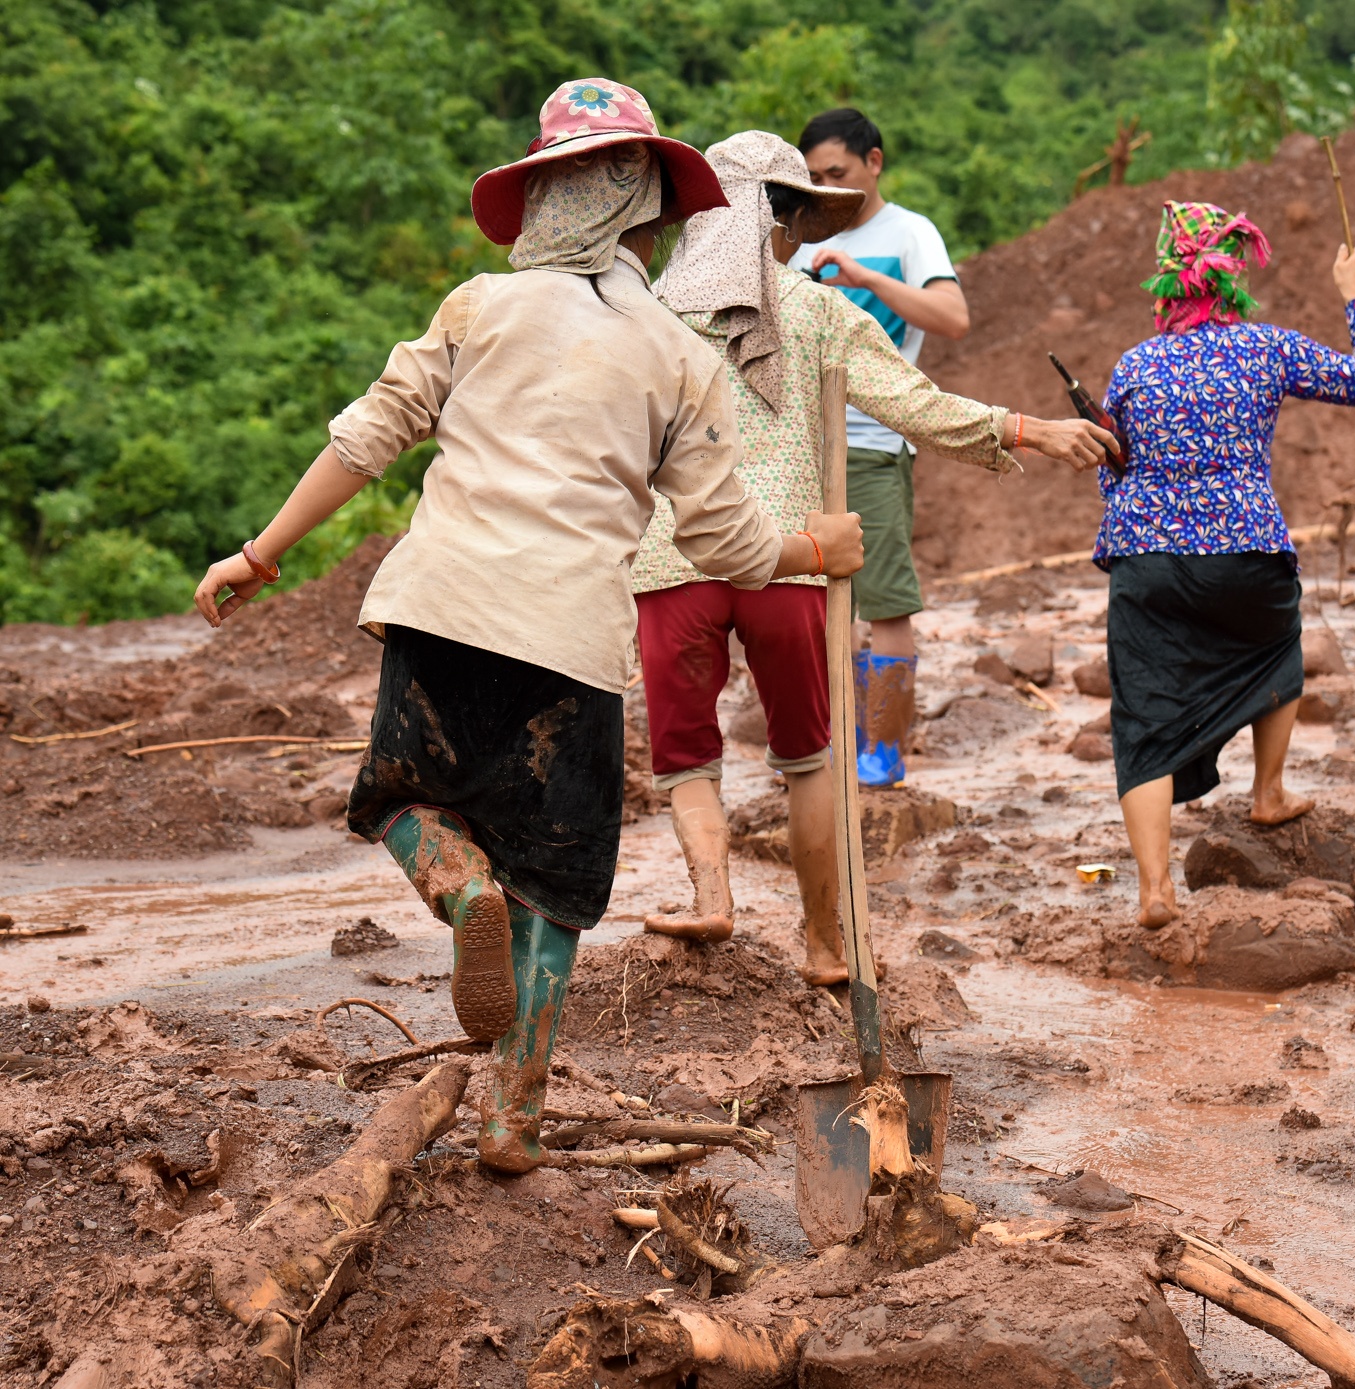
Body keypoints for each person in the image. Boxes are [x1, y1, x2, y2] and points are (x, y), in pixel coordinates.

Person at [190, 80, 864, 1174]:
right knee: (554, 885)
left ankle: (460, 891)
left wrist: (262, 551)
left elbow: (370, 441)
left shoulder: (475, 308)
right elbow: (731, 547)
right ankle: (514, 1118)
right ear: (650, 215)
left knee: (403, 796)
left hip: (440, 611)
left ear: (545, 197)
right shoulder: (681, 356)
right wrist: (815, 550)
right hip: (570, 646)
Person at [635, 130, 1115, 984]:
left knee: (687, 756)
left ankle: (713, 896)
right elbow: (913, 403)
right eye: (790, 218)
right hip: (791, 560)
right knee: (809, 754)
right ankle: (827, 943)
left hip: (675, 565)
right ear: (773, 219)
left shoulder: (645, 315)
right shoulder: (817, 310)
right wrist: (1028, 429)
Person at [1073, 200, 1355, 929]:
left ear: (1167, 282)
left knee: (1145, 717)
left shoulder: (1134, 365)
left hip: (1146, 561)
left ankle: (1155, 892)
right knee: (1277, 646)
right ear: (1234, 276)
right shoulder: (1266, 348)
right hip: (1247, 548)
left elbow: (1109, 459)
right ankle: (1268, 790)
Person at [795, 107, 971, 787]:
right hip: (800, 446)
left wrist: (867, 279)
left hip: (873, 442)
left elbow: (952, 317)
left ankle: (884, 749)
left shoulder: (909, 234)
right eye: (813, 177)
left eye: (837, 172)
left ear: (874, 161)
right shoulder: (801, 241)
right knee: (813, 601)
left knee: (884, 600)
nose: (827, 186)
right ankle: (831, 743)